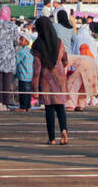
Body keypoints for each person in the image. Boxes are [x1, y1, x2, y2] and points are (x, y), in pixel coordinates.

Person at [31, 16, 70, 144]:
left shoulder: (37, 45)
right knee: (60, 106)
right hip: (59, 77)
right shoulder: (59, 42)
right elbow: (65, 59)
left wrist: (35, 88)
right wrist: (59, 67)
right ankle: (64, 130)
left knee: (49, 109)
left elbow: (37, 69)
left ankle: (52, 138)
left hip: (46, 79)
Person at [16, 34, 35, 109]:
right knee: (28, 92)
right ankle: (28, 106)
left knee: (23, 92)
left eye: (21, 39)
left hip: (23, 75)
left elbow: (16, 61)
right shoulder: (30, 51)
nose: (20, 41)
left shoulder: (22, 52)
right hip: (30, 75)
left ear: (26, 41)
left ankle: (23, 107)